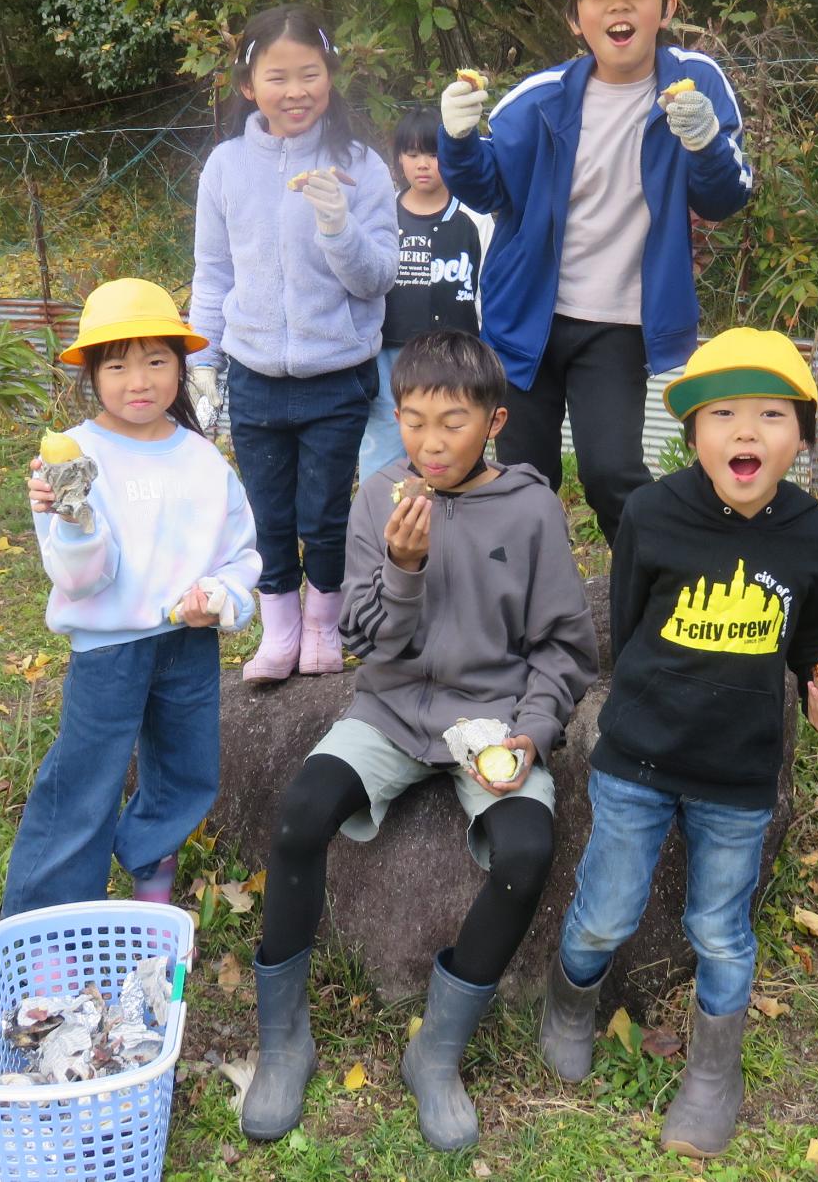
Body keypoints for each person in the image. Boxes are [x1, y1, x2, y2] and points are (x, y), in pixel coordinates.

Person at [240, 330, 598, 1153]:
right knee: (299, 816)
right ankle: (283, 1041)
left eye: (452, 422)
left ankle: (436, 1055)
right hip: (392, 711)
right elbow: (371, 642)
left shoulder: (532, 509)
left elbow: (564, 648)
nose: (430, 444)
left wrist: (534, 734)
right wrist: (402, 568)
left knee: (525, 852)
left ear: (495, 421)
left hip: (494, 717)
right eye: (412, 421)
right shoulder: (380, 498)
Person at [541, 328, 818, 1157]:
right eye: (723, 414)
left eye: (771, 415)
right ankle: (569, 1001)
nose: (745, 432)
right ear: (693, 433)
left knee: (720, 930)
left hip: (740, 774)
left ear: (802, 436)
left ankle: (716, 1072)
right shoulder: (650, 514)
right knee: (605, 912)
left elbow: (813, 640)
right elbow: (629, 620)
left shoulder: (816, 539)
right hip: (637, 760)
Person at [436, 0, 755, 544]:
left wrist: (706, 144)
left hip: (618, 321)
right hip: (526, 316)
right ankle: (521, 614)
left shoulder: (696, 82)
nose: (618, 4)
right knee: (521, 480)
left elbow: (726, 197)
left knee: (613, 474)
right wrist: (456, 139)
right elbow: (486, 189)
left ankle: (641, 614)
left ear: (667, 8)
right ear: (575, 18)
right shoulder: (540, 98)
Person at [1, 278, 260, 914]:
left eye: (156, 360)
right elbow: (81, 578)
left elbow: (243, 558)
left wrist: (221, 598)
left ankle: (152, 892)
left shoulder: (203, 460)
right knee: (85, 781)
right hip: (109, 650)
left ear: (180, 366)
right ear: (91, 373)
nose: (137, 380)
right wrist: (75, 517)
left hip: (188, 645)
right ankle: (52, 920)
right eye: (116, 364)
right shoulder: (72, 458)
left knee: (185, 772)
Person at [187, 3, 398, 682]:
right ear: (249, 86)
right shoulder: (225, 168)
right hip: (253, 374)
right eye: (278, 77)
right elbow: (214, 272)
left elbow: (378, 280)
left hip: (337, 372)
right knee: (268, 513)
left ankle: (322, 626)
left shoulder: (362, 167)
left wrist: (338, 225)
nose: (296, 90)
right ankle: (278, 633)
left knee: (325, 514)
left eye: (310, 74)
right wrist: (201, 361)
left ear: (330, 77)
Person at [356, 106, 492, 481]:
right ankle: (379, 523)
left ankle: (455, 522)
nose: (423, 165)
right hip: (390, 354)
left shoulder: (475, 217)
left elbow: (487, 288)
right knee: (386, 433)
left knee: (453, 439)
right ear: (398, 158)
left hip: (456, 356)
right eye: (412, 154)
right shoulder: (381, 215)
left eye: (433, 154)